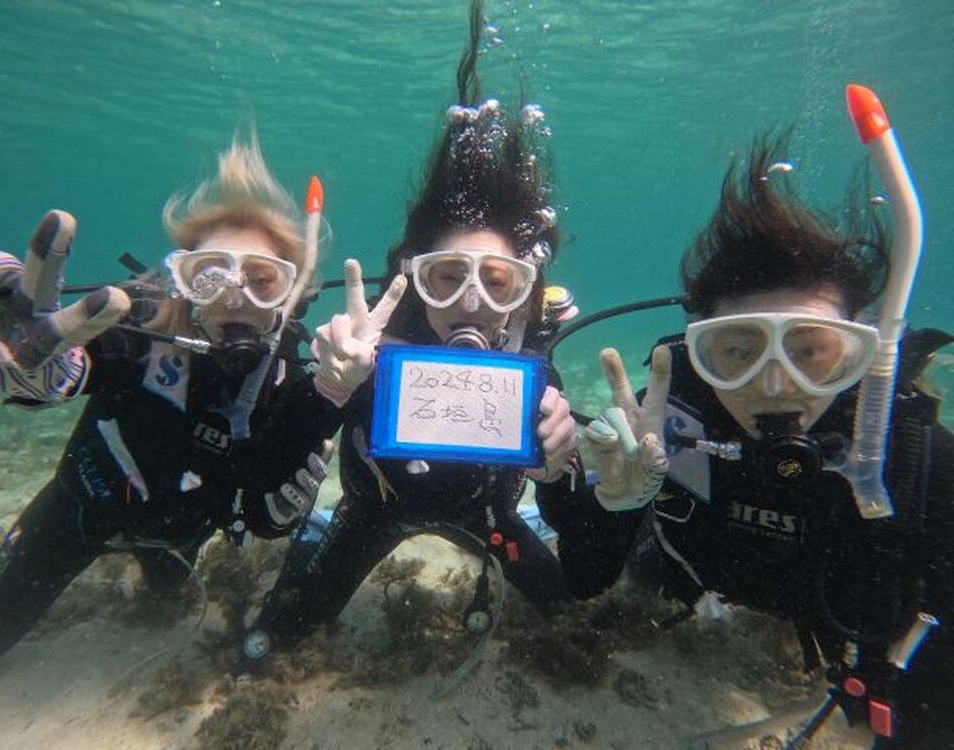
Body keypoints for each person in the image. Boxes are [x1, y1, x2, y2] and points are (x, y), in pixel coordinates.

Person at [538, 134, 953, 748]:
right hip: (691, 576)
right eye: (737, 351)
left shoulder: (914, 459)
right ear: (700, 353)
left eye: (812, 350)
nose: (775, 384)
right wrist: (609, 504)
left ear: (860, 354)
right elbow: (584, 580)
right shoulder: (671, 425)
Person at [246, 0, 579, 655]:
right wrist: (326, 390)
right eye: (446, 277)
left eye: (499, 281)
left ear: (525, 290)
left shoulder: (531, 361)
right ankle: (324, 526)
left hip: (486, 513)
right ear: (414, 277)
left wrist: (558, 464)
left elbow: (564, 481)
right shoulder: (369, 348)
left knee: (565, 602)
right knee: (283, 630)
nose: (472, 301)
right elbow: (264, 486)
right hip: (373, 508)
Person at [0, 132, 338, 675]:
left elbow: (262, 507)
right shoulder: (140, 327)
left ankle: (160, 563)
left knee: (166, 593)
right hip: (80, 514)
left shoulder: (287, 381)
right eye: (209, 277)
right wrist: (42, 376)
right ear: (181, 284)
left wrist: (284, 508)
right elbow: (82, 358)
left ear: (291, 295)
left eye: (261, 280)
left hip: (180, 534)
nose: (234, 296)